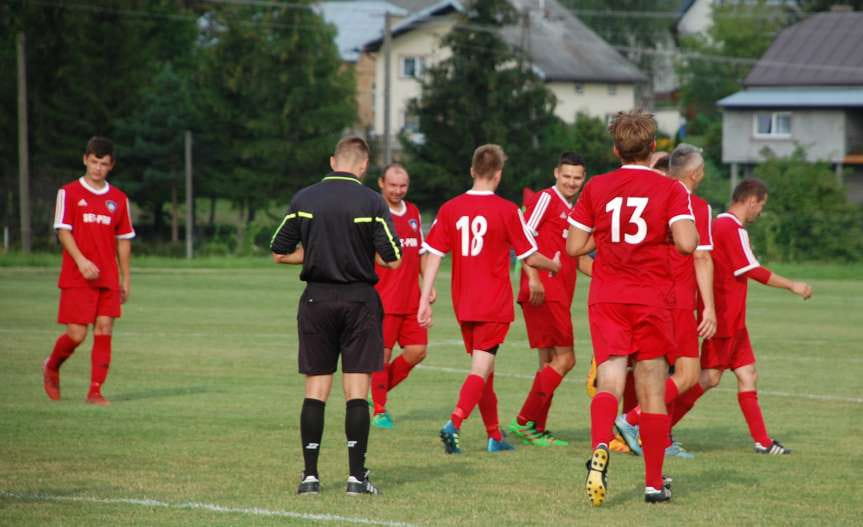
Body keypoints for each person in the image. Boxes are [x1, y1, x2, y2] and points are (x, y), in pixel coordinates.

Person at [567, 110, 697, 506]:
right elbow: (688, 243)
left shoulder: (597, 187)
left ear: (615, 149)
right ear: (653, 147)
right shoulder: (671, 190)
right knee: (652, 391)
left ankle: (598, 452)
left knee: (608, 379)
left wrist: (604, 239)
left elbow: (574, 247)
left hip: (607, 296)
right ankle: (654, 484)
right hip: (651, 298)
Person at [270, 136, 402, 496]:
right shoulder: (372, 201)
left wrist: (313, 253)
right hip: (359, 301)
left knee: (316, 391)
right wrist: (358, 254)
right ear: (363, 166)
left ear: (332, 161)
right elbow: (392, 257)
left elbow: (279, 251)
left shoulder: (305, 199)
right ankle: (356, 479)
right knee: (356, 392)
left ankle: (310, 477)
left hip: (316, 301)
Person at [418, 144, 561, 454]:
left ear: (472, 171)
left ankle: (494, 436)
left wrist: (423, 298)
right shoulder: (507, 210)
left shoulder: (450, 208)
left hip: (464, 303)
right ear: (498, 174)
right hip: (493, 304)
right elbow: (531, 256)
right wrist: (555, 264)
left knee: (486, 371)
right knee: (479, 371)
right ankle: (454, 423)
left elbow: (433, 256)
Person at [664, 178, 812, 455]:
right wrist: (793, 285)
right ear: (751, 201)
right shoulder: (732, 228)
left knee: (748, 375)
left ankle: (763, 441)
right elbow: (752, 269)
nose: (760, 212)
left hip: (734, 320)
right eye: (761, 205)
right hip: (724, 318)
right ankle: (652, 425)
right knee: (707, 378)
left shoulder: (718, 224)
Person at [614, 143, 718, 459]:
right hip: (679, 300)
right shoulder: (696, 206)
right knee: (686, 373)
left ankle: (657, 437)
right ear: (696, 173)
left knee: (653, 369)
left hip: (644, 296)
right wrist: (709, 307)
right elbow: (701, 256)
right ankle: (634, 421)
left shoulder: (651, 195)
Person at [509, 152, 593, 447]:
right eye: (567, 176)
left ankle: (536, 427)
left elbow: (579, 259)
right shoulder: (545, 198)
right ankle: (523, 420)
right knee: (566, 359)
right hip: (543, 290)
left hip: (558, 294)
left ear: (584, 178)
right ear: (556, 173)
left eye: (577, 177)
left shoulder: (575, 209)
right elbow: (523, 237)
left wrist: (611, 277)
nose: (571, 182)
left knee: (549, 363)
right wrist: (532, 278)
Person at [43, 136, 135, 406]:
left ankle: (95, 391)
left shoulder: (118, 199)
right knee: (77, 334)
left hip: (107, 276)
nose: (97, 168)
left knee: (104, 329)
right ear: (85, 159)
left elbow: (124, 240)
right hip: (77, 275)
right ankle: (51, 365)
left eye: (103, 164)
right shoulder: (68, 192)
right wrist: (81, 260)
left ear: (111, 165)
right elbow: (63, 230)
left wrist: (125, 277)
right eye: (94, 162)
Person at [370, 163, 433, 429]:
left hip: (411, 299)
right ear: (381, 183)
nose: (398, 190)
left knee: (418, 351)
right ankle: (380, 409)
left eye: (403, 185)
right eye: (393, 185)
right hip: (383, 299)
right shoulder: (374, 212)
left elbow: (420, 251)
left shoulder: (414, 213)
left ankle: (373, 392)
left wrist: (428, 287)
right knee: (380, 357)